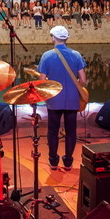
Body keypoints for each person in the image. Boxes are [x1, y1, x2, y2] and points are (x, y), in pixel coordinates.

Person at [38, 25, 87, 171]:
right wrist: (73, 88)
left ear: (53, 38)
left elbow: (42, 80)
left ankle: (53, 161)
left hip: (54, 99)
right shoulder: (76, 55)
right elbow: (83, 79)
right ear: (66, 39)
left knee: (53, 131)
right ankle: (68, 162)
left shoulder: (47, 56)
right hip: (72, 100)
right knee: (71, 131)